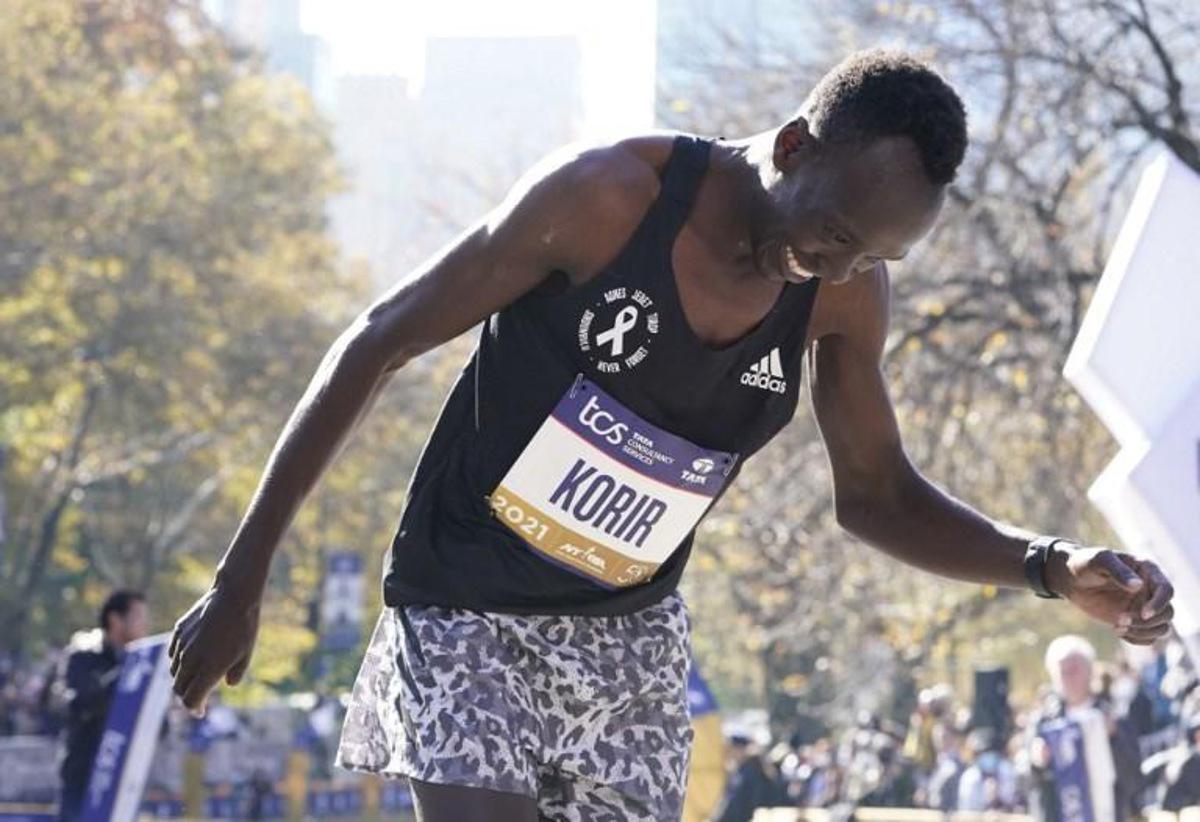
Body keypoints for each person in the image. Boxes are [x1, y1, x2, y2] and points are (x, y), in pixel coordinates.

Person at [168, 49, 1176, 821]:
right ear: (791, 149)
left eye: (869, 255)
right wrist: (241, 577)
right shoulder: (606, 201)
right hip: (465, 601)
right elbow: (375, 343)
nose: (834, 268)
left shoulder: (845, 296)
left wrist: (1050, 566)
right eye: (831, 232)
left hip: (628, 636)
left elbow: (878, 495)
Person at [52, 589, 148, 821]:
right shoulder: (83, 656)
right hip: (84, 775)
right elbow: (78, 705)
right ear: (115, 619)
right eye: (138, 617)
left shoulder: (143, 664)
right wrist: (125, 673)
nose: (145, 625)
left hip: (124, 777)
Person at [1027, 635, 1145, 821]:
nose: (1069, 677)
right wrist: (1036, 761)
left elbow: (1134, 779)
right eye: (1062, 671)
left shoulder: (1113, 716)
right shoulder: (1043, 723)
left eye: (1075, 669)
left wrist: (1114, 739)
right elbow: (1028, 783)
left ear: (1090, 671)